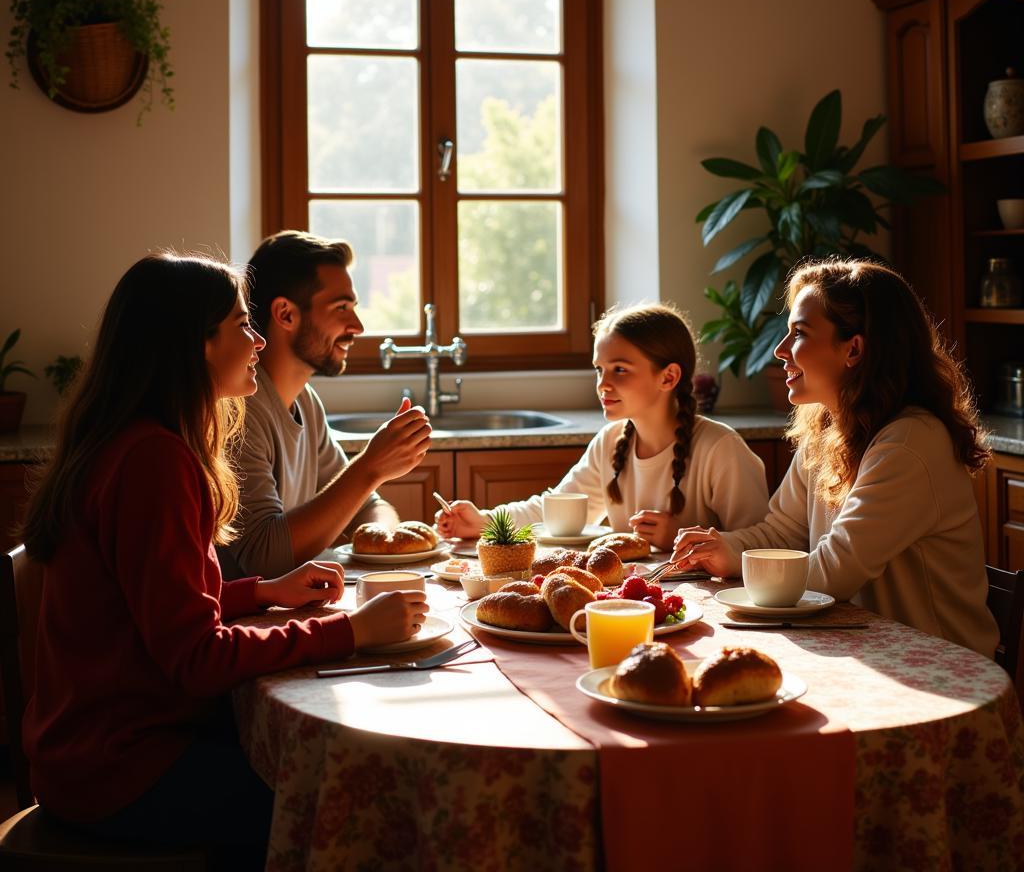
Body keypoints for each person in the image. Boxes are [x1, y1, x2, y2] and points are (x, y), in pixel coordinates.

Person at [19, 253, 428, 866]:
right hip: (122, 771)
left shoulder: (134, 443)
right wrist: (350, 631)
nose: (258, 340)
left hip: (86, 752)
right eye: (242, 325)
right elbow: (196, 658)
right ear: (198, 344)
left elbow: (152, 606)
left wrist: (263, 593)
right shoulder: (153, 463)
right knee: (357, 802)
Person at [671, 257, 999, 657]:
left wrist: (739, 561)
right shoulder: (827, 430)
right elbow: (782, 532)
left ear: (854, 349)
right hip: (866, 650)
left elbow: (833, 574)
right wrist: (722, 547)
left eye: (799, 334)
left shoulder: (911, 442)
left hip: (941, 666)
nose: (780, 350)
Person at [436, 302, 769, 550]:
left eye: (620, 370)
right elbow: (555, 509)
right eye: (599, 369)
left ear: (668, 376)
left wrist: (683, 539)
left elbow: (763, 547)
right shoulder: (610, 442)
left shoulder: (720, 448)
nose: (603, 384)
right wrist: (485, 521)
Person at [221, 230, 432, 578]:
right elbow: (263, 558)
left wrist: (388, 539)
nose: (358, 327)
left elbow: (365, 506)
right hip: (245, 624)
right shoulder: (239, 409)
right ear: (286, 314)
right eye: (341, 308)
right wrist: (370, 467)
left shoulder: (305, 400)